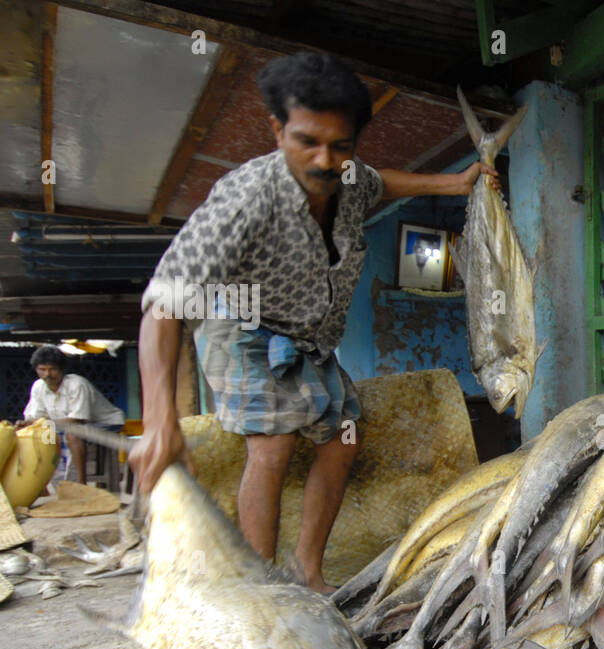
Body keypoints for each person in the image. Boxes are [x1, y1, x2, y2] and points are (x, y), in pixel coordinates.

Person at [129, 52, 500, 593]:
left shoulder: (348, 177)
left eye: (340, 144)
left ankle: (308, 571)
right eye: (308, 142)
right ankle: (264, 592)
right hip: (243, 328)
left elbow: (381, 185)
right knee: (274, 444)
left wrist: (452, 184)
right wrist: (160, 419)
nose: (325, 160)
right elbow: (164, 304)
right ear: (278, 130)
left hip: (309, 337)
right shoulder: (245, 199)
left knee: (343, 438)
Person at [19, 345, 126, 485]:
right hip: (68, 425)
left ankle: (81, 483)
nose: (47, 375)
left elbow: (77, 420)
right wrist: (27, 424)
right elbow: (37, 417)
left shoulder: (77, 384)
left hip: (107, 422)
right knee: (43, 435)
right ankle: (43, 484)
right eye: (42, 370)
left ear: (62, 369)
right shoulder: (38, 387)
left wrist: (45, 423)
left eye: (52, 369)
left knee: (73, 434)